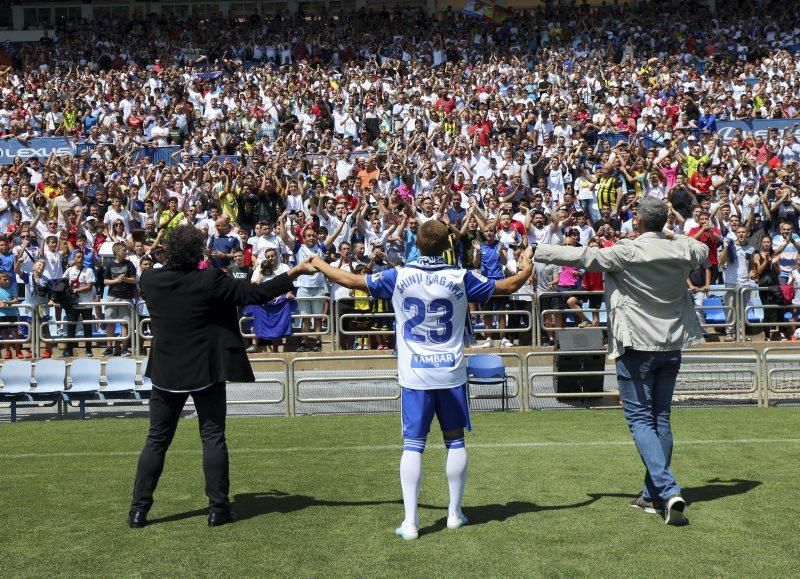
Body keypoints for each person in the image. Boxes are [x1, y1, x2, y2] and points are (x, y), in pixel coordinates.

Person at [308, 220, 533, 540]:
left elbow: (351, 280)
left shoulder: (397, 275)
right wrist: (526, 267)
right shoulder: (460, 276)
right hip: (451, 371)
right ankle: (455, 513)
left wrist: (318, 263)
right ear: (446, 246)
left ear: (417, 243)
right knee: (455, 441)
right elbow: (508, 287)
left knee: (413, 445)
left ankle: (411, 522)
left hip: (414, 374)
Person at [533, 196, 708, 526]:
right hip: (671, 345)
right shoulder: (685, 249)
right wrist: (668, 232)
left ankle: (668, 490)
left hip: (636, 345)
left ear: (638, 222)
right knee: (661, 418)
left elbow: (586, 256)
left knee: (641, 420)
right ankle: (652, 494)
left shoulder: (628, 250)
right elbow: (700, 250)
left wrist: (539, 252)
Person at [128, 225, 317, 529]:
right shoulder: (210, 280)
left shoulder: (150, 279)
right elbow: (257, 293)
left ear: (169, 251)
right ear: (197, 253)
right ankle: (218, 509)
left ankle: (138, 511)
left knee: (157, 440)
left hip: (166, 372)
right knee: (212, 437)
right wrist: (295, 271)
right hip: (205, 370)